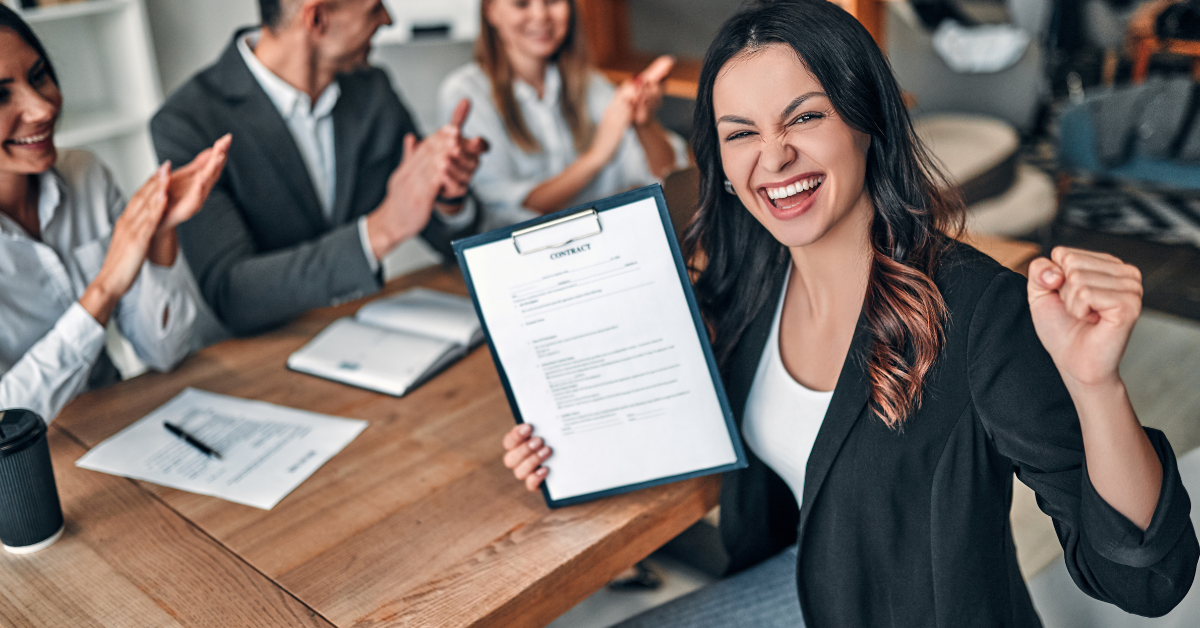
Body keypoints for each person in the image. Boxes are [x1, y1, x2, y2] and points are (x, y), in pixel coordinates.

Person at [501, 1, 1199, 626]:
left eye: (804, 116)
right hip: (807, 584)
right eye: (740, 133)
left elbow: (1145, 582)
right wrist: (563, 439)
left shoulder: (980, 313)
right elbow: (672, 400)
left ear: (867, 121)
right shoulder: (751, 277)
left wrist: (1096, 387)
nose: (773, 157)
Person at [151, 0, 488, 336]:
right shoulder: (188, 123)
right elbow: (232, 294)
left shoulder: (372, 89)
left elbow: (448, 239)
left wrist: (447, 195)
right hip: (259, 359)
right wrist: (379, 231)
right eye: (373, 8)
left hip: (371, 334)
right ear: (317, 19)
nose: (387, 19)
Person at [0, 6, 229, 422]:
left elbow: (165, 353)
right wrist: (104, 290)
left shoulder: (85, 174)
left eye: (38, 77)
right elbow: (6, 419)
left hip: (120, 424)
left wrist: (160, 231)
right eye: (0, 95)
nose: (42, 108)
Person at [438, 0, 689, 230]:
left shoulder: (592, 84)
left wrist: (644, 124)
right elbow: (508, 210)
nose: (540, 15)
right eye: (521, 4)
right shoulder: (466, 93)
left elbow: (668, 174)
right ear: (491, 11)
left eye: (552, 1)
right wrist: (597, 155)